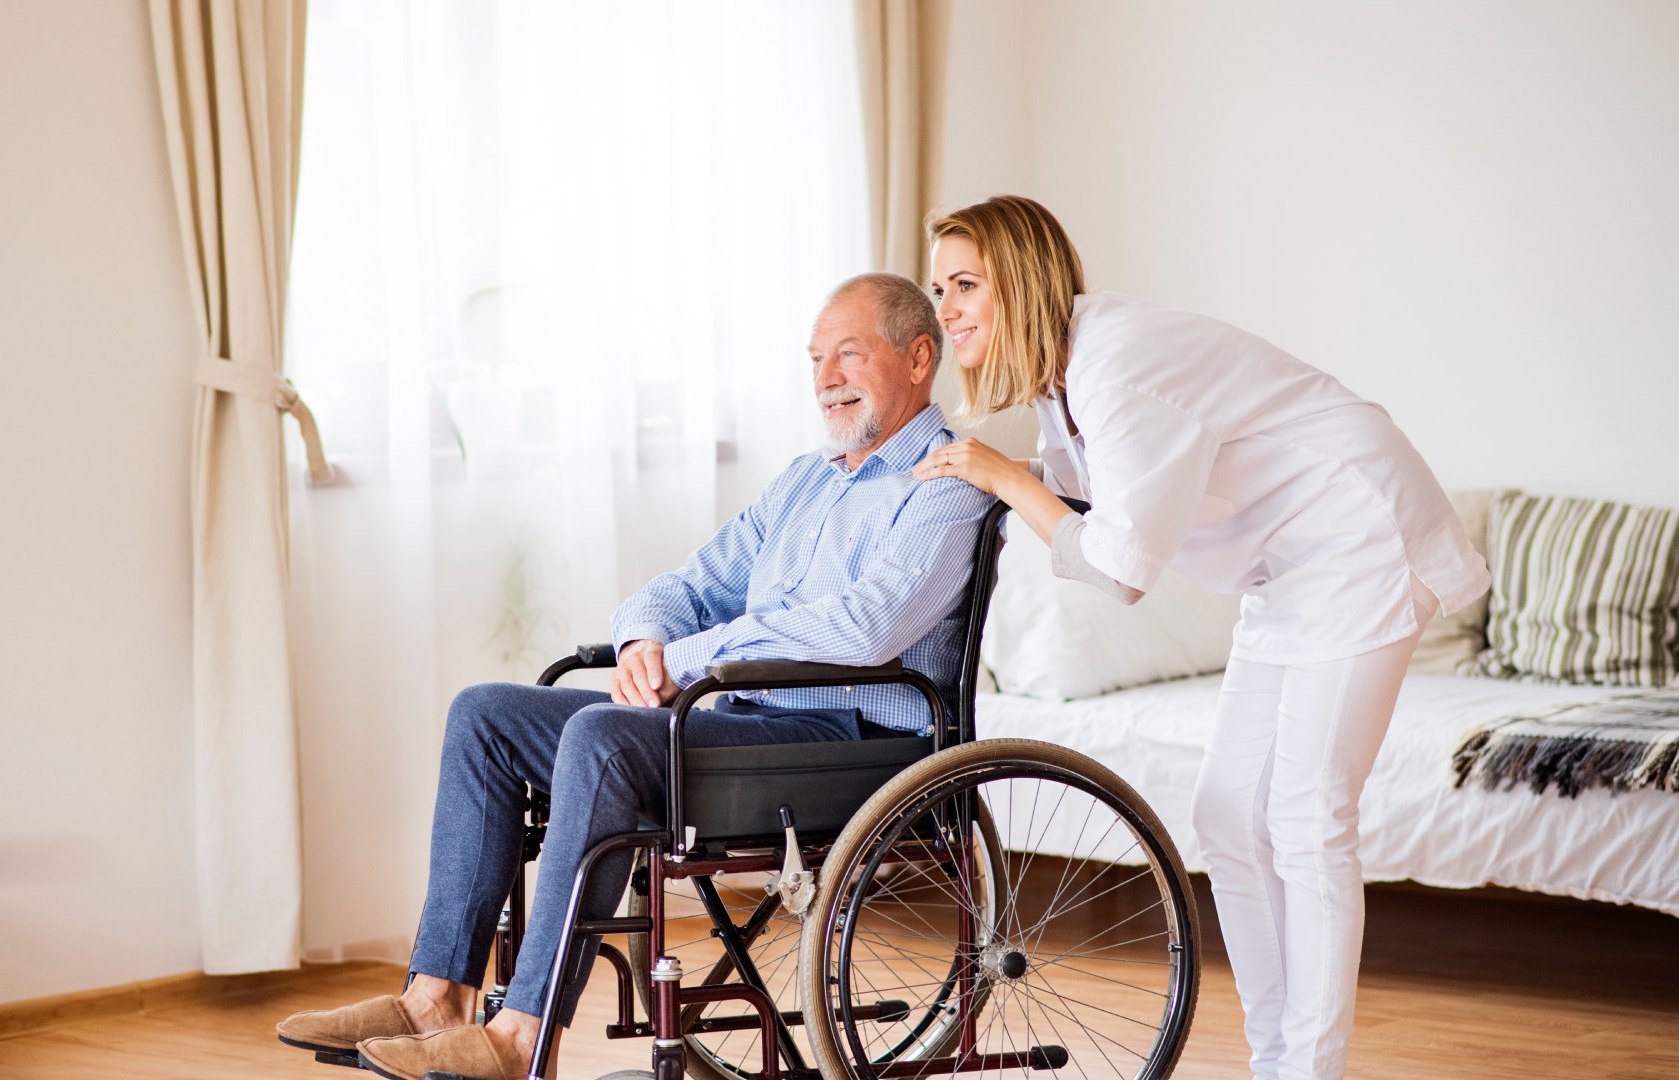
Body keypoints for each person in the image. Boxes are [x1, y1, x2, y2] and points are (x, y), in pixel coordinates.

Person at [276, 271, 994, 1080]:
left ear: (919, 358)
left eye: (849, 355)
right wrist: (644, 642)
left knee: (604, 734)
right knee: (484, 715)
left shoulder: (949, 480)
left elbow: (866, 628)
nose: (825, 379)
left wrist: (686, 661)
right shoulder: (806, 479)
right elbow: (689, 585)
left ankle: (518, 1038)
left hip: (852, 741)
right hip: (744, 718)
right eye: (815, 358)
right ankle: (434, 997)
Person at [914, 195, 1488, 1080]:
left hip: (1358, 532)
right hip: (1286, 564)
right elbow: (1092, 499)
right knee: (1225, 814)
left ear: (1020, 282)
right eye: (938, 287)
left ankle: (1310, 1070)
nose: (944, 308)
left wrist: (996, 472)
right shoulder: (1063, 379)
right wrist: (1000, 476)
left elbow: (1116, 569)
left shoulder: (1113, 365)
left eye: (964, 285)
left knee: (1306, 816)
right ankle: (1276, 1059)